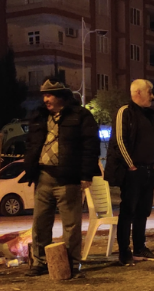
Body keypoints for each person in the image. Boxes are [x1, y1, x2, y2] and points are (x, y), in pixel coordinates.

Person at [22, 78, 99, 278]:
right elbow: (31, 143)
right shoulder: (39, 116)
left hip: (68, 177)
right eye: (44, 95)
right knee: (40, 223)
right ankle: (40, 262)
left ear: (61, 96)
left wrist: (86, 174)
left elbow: (90, 147)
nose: (45, 99)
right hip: (43, 176)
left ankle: (71, 263)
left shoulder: (81, 116)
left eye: (50, 95)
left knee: (71, 225)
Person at [105, 79, 154, 266]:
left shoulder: (148, 115)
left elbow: (152, 139)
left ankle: (139, 248)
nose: (152, 96)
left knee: (143, 212)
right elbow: (119, 140)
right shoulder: (125, 112)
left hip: (147, 171)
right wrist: (131, 165)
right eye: (149, 92)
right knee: (128, 211)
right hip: (132, 172)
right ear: (138, 92)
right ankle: (124, 252)